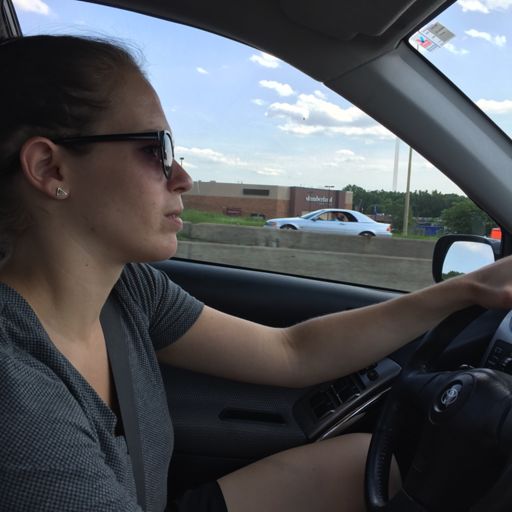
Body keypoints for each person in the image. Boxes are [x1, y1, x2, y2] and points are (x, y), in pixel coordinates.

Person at [1, 35, 512, 512]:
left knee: (362, 462)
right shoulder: (15, 394)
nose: (183, 177)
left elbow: (292, 352)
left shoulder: (127, 289)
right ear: (50, 168)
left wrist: (466, 289)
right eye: (156, 150)